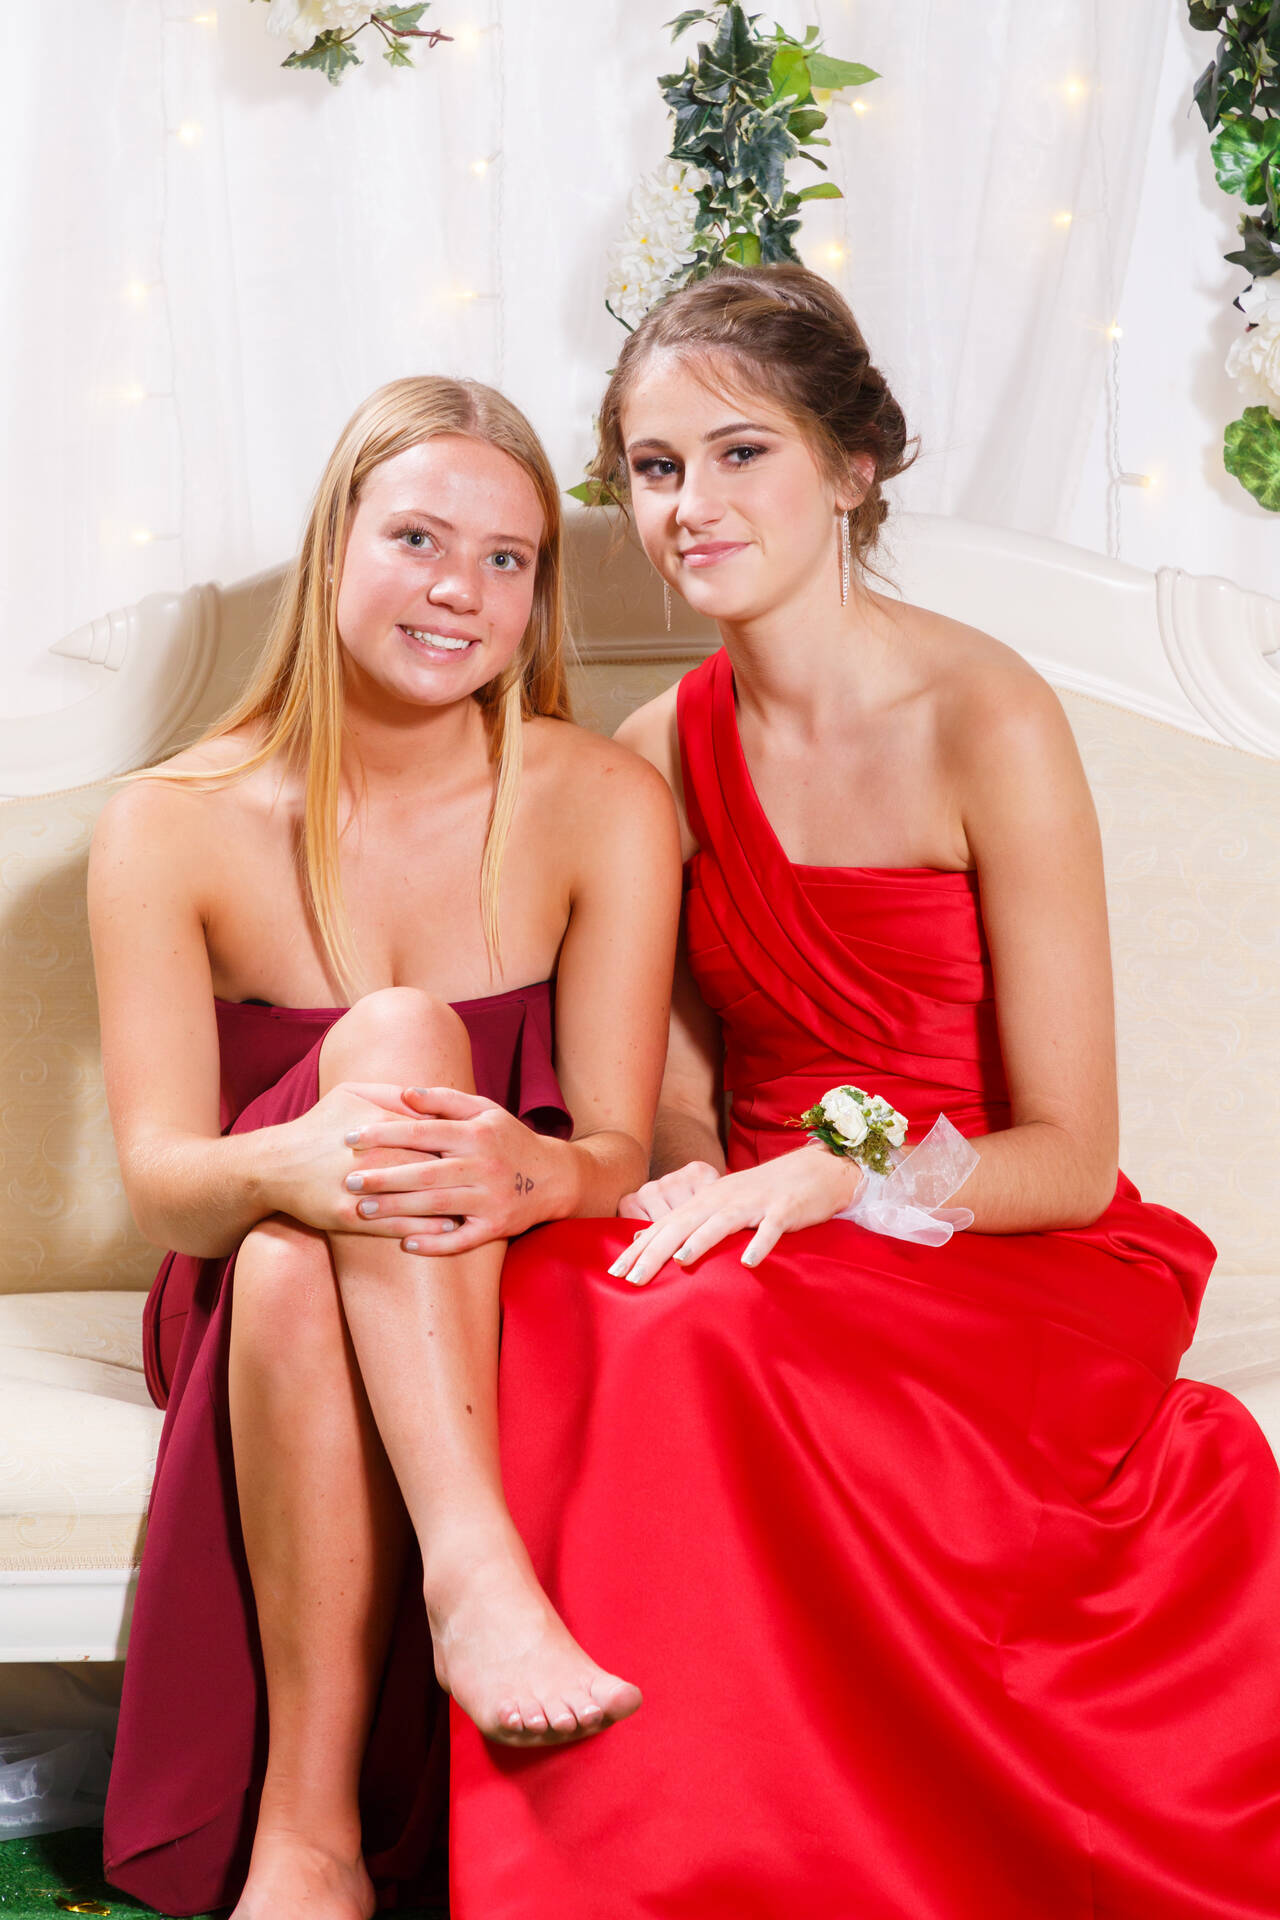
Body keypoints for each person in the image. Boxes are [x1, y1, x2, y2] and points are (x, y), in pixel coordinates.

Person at [448, 266, 1280, 1919]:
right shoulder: (660, 749)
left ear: (852, 467)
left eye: (739, 453)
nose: (689, 506)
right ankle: (642, 1849)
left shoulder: (988, 714)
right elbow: (683, 1093)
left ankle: (749, 1869)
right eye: (655, 467)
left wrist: (853, 1176)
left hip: (996, 1243)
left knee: (698, 1336)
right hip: (766, 1230)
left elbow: (1072, 1153)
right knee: (563, 1301)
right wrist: (694, 1172)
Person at [91, 375, 681, 1920]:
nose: (461, 589)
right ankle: (473, 1573)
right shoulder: (171, 820)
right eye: (420, 537)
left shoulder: (605, 801)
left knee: (316, 1254)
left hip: (500, 1271)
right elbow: (166, 1184)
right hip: (235, 1275)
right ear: (334, 546)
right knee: (364, 1110)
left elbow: (617, 1149)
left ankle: (310, 1845)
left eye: (507, 558)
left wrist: (538, 1171)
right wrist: (281, 1169)